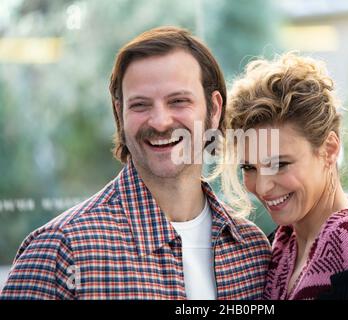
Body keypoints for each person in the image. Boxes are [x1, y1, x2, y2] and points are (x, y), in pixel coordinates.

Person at [0, 27, 271, 300]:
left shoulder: (252, 252)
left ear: (214, 109)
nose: (160, 122)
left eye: (178, 101)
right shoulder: (60, 250)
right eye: (140, 105)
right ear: (120, 112)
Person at [218, 52, 348, 300]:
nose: (263, 186)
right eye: (249, 168)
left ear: (329, 149)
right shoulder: (283, 244)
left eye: (279, 164)